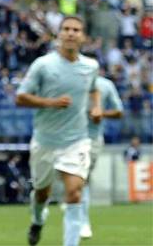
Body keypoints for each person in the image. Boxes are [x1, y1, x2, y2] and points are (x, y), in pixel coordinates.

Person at [16, 15, 101, 246]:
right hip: (45, 140)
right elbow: (20, 98)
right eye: (66, 29)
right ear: (59, 34)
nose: (71, 33)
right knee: (42, 192)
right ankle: (37, 219)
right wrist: (49, 103)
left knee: (74, 192)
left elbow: (94, 89)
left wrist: (96, 108)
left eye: (76, 29)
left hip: (77, 140)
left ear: (83, 37)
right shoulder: (43, 65)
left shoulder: (90, 66)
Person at [80, 74, 123, 239]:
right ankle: (82, 218)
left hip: (92, 138)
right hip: (68, 137)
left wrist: (101, 113)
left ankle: (82, 218)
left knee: (83, 177)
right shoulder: (70, 80)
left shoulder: (105, 85)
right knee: (78, 178)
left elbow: (119, 111)